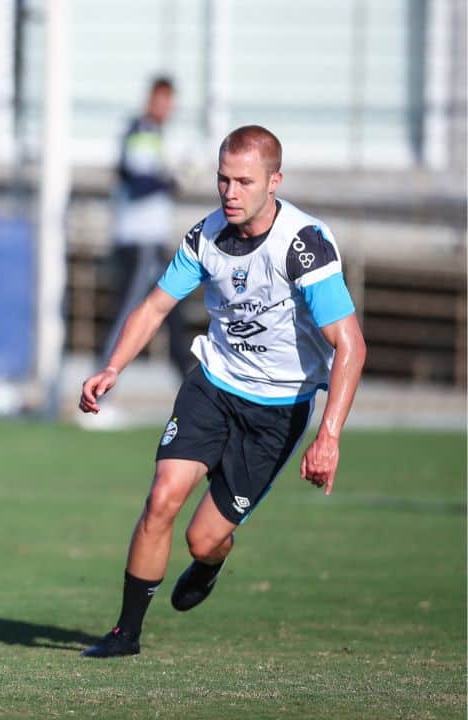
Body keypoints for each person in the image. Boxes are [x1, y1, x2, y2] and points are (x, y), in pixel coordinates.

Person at [78, 125, 366, 657]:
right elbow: (156, 306)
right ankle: (125, 634)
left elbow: (350, 346)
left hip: (277, 412)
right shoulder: (205, 236)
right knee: (162, 497)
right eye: (222, 179)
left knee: (201, 538)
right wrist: (112, 367)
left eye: (244, 181)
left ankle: (210, 563)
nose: (230, 193)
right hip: (213, 385)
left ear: (274, 182)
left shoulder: (303, 246)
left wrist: (329, 436)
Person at [102, 76, 192, 385]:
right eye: (161, 100)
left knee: (173, 315)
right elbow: (138, 182)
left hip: (154, 241)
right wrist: (171, 181)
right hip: (138, 240)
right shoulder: (141, 132)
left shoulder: (156, 134)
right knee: (128, 314)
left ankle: (196, 396)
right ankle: (98, 388)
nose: (165, 107)